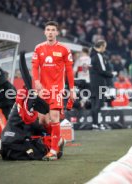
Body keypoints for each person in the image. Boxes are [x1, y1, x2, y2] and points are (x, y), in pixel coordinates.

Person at [32, 21, 76, 161]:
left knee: (55, 117)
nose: (50, 32)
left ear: (57, 33)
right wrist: (37, 81)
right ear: (44, 32)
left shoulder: (64, 49)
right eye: (48, 30)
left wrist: (72, 89)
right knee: (43, 121)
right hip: (42, 90)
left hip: (57, 88)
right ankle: (59, 140)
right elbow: (34, 67)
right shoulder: (38, 48)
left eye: (53, 30)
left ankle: (53, 151)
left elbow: (69, 71)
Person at [89, 40, 116, 130]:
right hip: (99, 83)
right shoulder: (98, 56)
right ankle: (97, 124)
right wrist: (112, 74)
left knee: (94, 104)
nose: (105, 49)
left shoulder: (92, 55)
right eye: (104, 47)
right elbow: (102, 71)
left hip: (93, 83)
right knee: (99, 104)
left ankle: (95, 124)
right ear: (101, 46)